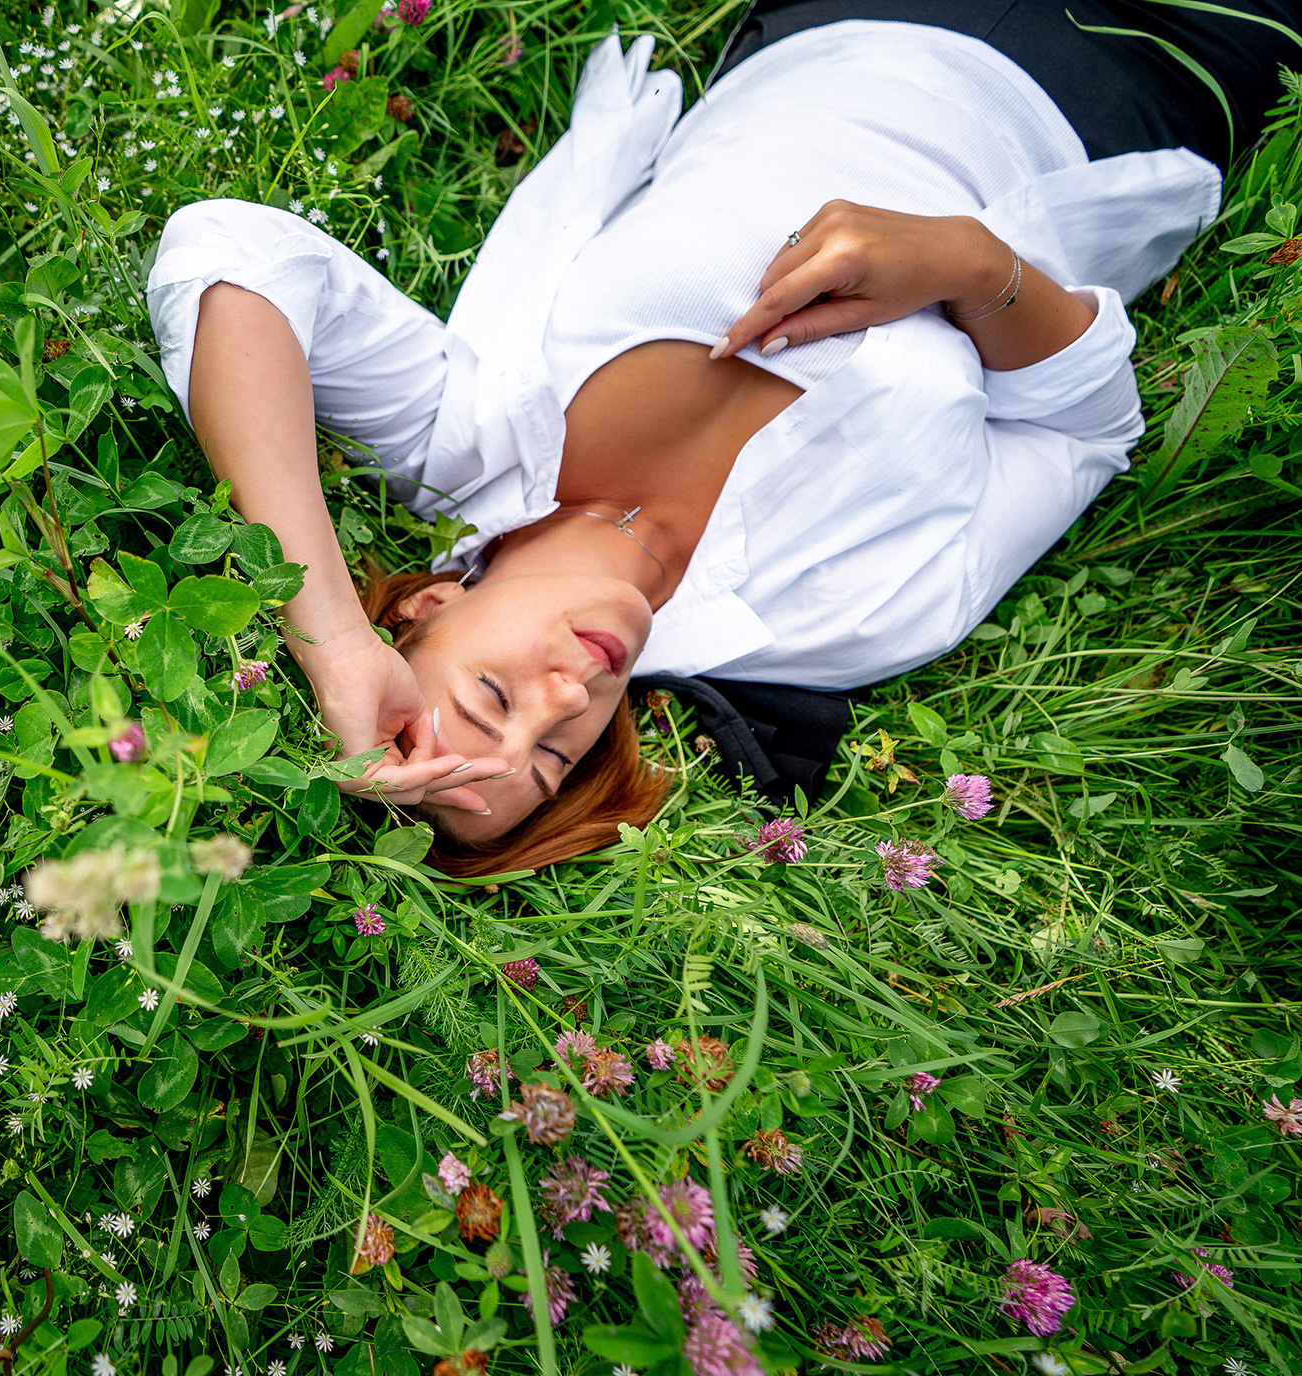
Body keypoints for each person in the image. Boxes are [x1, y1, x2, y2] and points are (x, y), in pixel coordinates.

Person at [147, 0, 1302, 874]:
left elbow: (229, 258)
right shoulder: (831, 621)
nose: (568, 699)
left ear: (429, 609)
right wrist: (963, 264)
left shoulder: (465, 434)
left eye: (497, 696)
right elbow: (1086, 430)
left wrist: (336, 648)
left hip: (829, 22)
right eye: (558, 756)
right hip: (1117, 81)